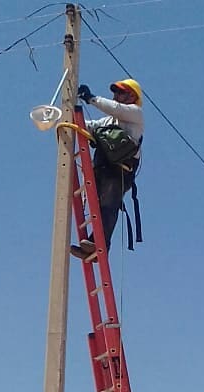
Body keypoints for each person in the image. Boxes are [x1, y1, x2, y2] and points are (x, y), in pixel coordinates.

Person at [70, 78, 144, 260]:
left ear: (132, 96)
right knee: (96, 205)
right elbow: (90, 126)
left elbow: (116, 108)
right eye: (115, 93)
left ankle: (100, 247)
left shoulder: (135, 113)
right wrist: (64, 117)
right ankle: (92, 246)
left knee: (107, 207)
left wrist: (91, 98)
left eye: (121, 93)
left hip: (119, 171)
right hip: (103, 168)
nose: (116, 96)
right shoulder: (110, 120)